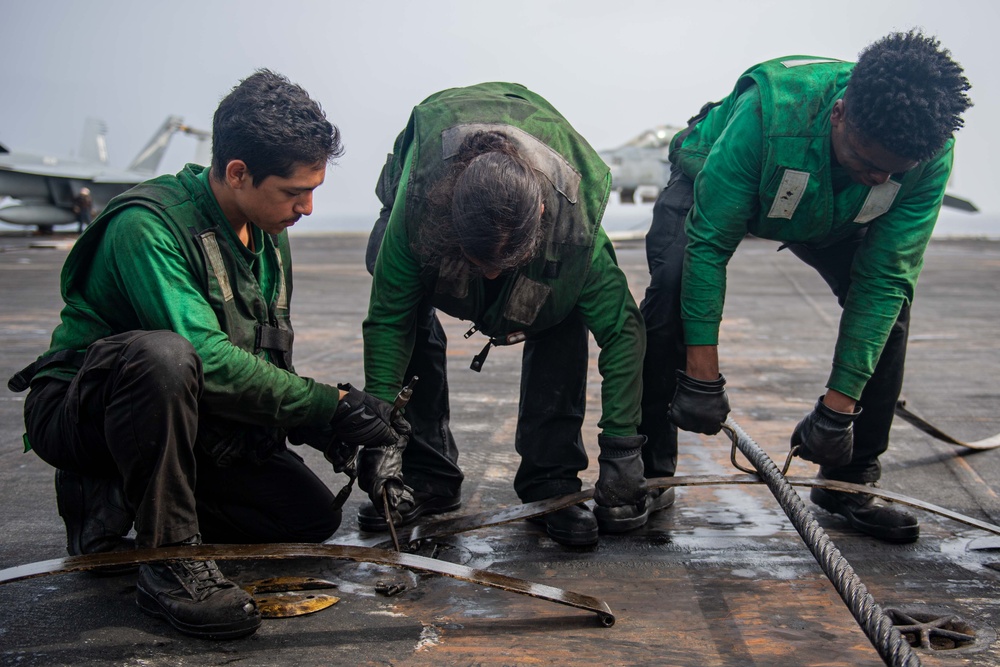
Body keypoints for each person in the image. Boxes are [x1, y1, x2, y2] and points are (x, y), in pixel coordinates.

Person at [7, 70, 409, 640]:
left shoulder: (268, 233)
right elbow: (207, 361)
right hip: (85, 412)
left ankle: (138, 498)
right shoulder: (146, 227)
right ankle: (165, 558)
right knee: (165, 357)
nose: (309, 208)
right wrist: (326, 405)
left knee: (308, 518)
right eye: (295, 193)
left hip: (190, 420)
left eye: (313, 190)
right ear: (238, 173)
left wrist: (343, 427)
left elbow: (264, 362)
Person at [638, 30, 972, 543]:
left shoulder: (924, 155)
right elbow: (708, 246)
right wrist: (702, 379)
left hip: (830, 212)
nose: (875, 178)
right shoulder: (768, 114)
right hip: (721, 175)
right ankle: (649, 474)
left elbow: (884, 281)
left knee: (892, 313)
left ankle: (849, 480)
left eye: (890, 172)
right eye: (864, 160)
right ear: (839, 113)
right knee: (671, 290)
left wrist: (837, 412)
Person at [361, 82, 662, 548]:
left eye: (505, 263)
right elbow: (387, 319)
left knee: (561, 312)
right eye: (483, 265)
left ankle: (550, 480)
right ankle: (429, 476)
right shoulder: (419, 210)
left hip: (550, 236)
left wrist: (622, 447)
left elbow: (623, 333)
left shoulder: (576, 232)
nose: (493, 274)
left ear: (542, 214)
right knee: (405, 306)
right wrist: (381, 433)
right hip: (430, 189)